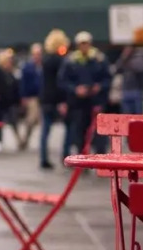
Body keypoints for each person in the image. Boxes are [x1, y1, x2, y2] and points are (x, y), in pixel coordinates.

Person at [59, 31, 110, 159]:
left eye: (86, 44)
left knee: (99, 133)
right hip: (78, 103)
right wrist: (75, 89)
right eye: (81, 44)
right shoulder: (71, 61)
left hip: (96, 101)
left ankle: (101, 159)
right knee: (79, 132)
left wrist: (99, 87)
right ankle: (83, 159)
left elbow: (108, 78)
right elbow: (62, 81)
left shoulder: (99, 59)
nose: (84, 47)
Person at [38, 30, 69, 169]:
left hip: (45, 98)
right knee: (68, 127)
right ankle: (66, 156)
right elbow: (60, 82)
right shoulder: (60, 60)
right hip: (57, 99)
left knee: (45, 130)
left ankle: (44, 158)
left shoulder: (45, 60)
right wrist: (62, 100)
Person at [14, 44, 43, 150]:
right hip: (32, 97)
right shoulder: (27, 67)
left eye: (39, 54)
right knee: (31, 120)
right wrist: (23, 96)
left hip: (42, 97)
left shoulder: (43, 66)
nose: (37, 56)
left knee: (38, 120)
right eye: (35, 54)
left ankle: (30, 141)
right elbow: (23, 83)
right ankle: (25, 139)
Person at [117, 45, 143, 115]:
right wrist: (123, 58)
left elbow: (141, 69)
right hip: (126, 91)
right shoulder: (123, 60)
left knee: (138, 116)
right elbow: (117, 69)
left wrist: (129, 62)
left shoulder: (138, 59)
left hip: (136, 91)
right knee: (126, 116)